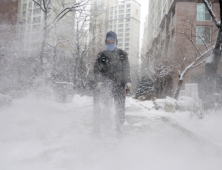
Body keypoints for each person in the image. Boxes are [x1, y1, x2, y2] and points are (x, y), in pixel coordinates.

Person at [93, 31, 132, 137]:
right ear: (106, 42)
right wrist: (99, 81)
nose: (111, 43)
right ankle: (106, 129)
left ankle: (119, 129)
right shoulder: (101, 55)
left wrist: (128, 81)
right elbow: (97, 70)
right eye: (109, 41)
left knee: (120, 109)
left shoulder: (122, 54)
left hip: (119, 86)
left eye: (113, 41)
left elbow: (126, 69)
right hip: (106, 87)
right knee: (106, 108)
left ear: (116, 42)